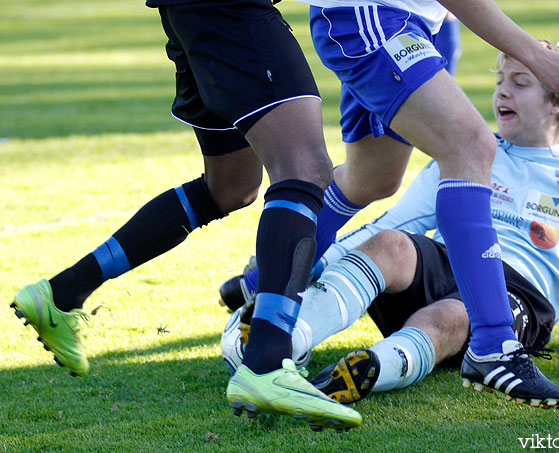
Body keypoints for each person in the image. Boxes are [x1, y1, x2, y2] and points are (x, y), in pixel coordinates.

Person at [220, 41, 559, 409]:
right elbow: (394, 222)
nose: (501, 92)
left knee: (456, 314)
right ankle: (282, 342)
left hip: (520, 296)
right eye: (499, 80)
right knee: (389, 243)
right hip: (447, 263)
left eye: (521, 82)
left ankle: (371, 370)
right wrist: (298, 266)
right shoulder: (467, 153)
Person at [10, 0, 361, 431]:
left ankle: (61, 293)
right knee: (305, 168)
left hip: (193, 13)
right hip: (230, 10)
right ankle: (268, 360)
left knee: (230, 185)